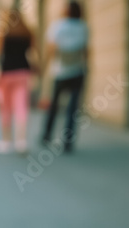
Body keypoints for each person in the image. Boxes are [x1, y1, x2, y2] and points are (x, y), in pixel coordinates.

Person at [0, 4, 36, 154]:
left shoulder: (3, 32)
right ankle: (21, 142)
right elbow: (34, 52)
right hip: (23, 72)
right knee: (22, 107)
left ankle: (6, 141)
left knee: (5, 108)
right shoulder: (28, 32)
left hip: (6, 73)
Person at [41, 1, 88, 152]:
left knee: (54, 106)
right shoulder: (83, 27)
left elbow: (51, 49)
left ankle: (46, 135)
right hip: (77, 71)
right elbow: (86, 51)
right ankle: (68, 141)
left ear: (66, 11)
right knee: (72, 109)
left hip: (60, 71)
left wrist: (45, 68)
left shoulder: (57, 26)